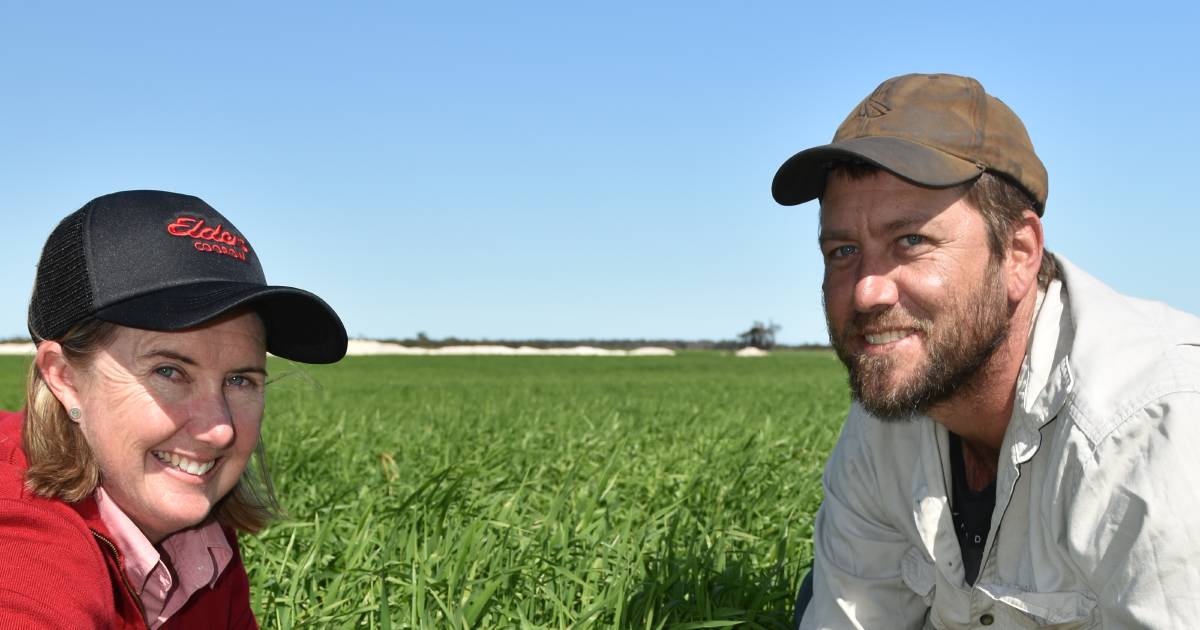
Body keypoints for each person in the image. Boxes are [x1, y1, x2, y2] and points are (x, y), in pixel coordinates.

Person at [772, 73, 1200, 628]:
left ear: (1018, 253)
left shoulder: (1149, 429)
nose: (866, 290)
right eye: (843, 249)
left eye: (911, 241)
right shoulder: (887, 420)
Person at [0, 190, 347, 628]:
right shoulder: (20, 540)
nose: (219, 430)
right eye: (169, 372)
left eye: (240, 380)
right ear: (65, 377)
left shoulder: (202, 540)